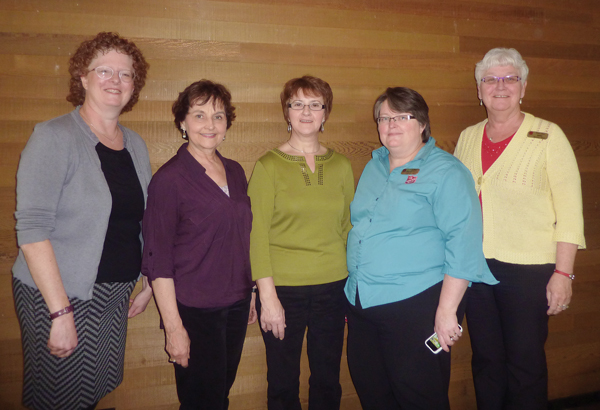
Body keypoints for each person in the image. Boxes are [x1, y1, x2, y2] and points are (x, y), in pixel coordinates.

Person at [12, 32, 153, 410]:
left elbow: (144, 221)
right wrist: (59, 312)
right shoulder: (53, 137)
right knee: (57, 400)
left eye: (126, 75)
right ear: (83, 77)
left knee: (90, 393)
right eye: (104, 70)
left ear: (134, 86)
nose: (115, 81)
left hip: (112, 297)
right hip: (62, 295)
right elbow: (32, 231)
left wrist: (149, 283)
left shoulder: (134, 144)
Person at [345, 87, 498, 410]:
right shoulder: (374, 165)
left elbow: (464, 245)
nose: (391, 124)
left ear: (423, 123)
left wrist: (446, 313)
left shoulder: (447, 171)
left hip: (416, 304)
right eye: (384, 118)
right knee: (373, 393)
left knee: (419, 397)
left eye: (402, 116)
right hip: (364, 302)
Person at [454, 48, 586, 410]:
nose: (500, 86)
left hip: (529, 272)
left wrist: (563, 273)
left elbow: (570, 213)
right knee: (486, 361)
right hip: (476, 270)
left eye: (510, 78)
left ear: (523, 87)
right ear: (478, 89)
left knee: (524, 364)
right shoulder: (467, 137)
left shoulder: (549, 135)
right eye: (490, 79)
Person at [141, 80, 256, 410]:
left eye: (218, 116)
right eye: (200, 115)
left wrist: (249, 293)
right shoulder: (169, 179)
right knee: (200, 402)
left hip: (234, 303)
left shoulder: (234, 171)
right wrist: (174, 328)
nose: (210, 125)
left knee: (220, 396)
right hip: (194, 310)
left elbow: (241, 239)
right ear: (183, 122)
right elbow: (158, 259)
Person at [248, 75, 354, 410]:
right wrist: (267, 296)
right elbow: (255, 235)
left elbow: (349, 229)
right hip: (284, 291)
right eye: (297, 104)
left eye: (314, 104)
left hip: (333, 288)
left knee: (327, 379)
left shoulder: (341, 165)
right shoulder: (267, 166)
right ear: (287, 113)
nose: (305, 112)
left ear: (326, 114)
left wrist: (354, 288)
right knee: (282, 381)